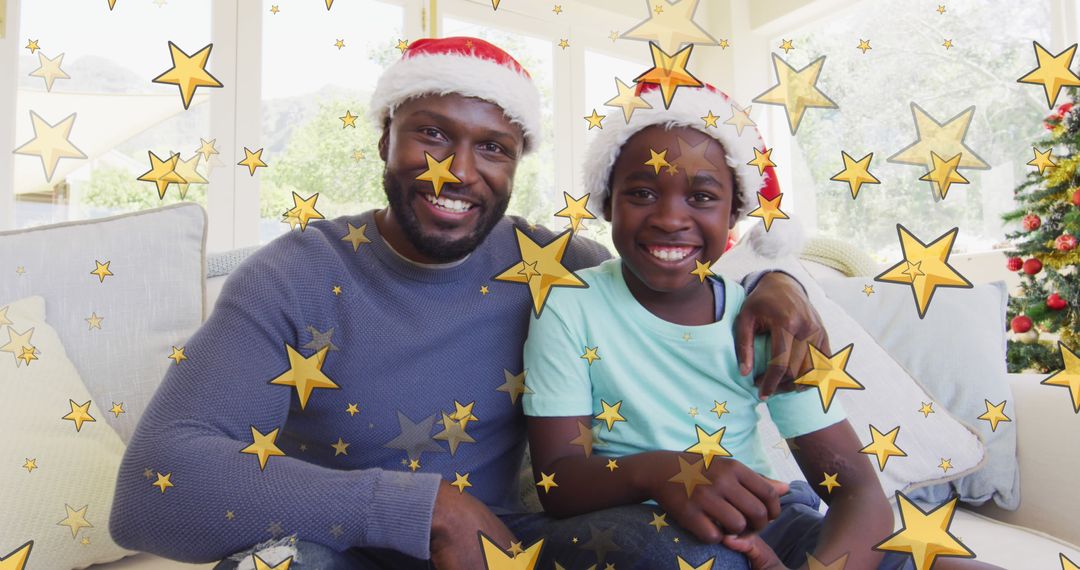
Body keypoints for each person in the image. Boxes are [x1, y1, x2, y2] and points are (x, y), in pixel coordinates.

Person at [109, 37, 830, 570]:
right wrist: (424, 510)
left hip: (509, 547)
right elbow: (152, 490)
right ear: (384, 137)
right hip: (338, 550)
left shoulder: (555, 270)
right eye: (431, 133)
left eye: (493, 148)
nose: (458, 171)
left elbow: (673, 274)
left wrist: (778, 283)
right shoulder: (294, 276)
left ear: (516, 165)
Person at [521, 82, 1005, 570]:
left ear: (734, 211)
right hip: (640, 526)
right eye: (642, 193)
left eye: (702, 197)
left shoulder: (769, 319)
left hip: (773, 522)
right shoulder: (569, 303)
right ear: (607, 203)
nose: (670, 218)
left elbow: (857, 492)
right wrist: (662, 472)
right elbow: (558, 485)